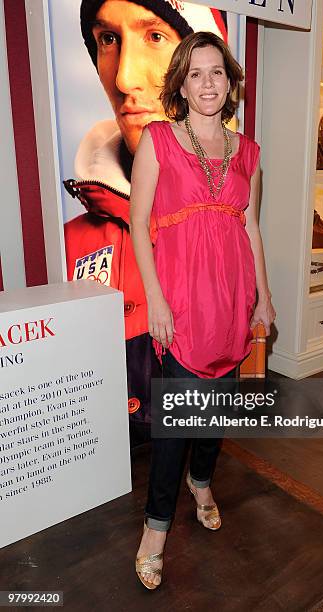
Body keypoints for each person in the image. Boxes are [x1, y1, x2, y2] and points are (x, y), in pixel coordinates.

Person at [130, 31, 275, 589]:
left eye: (217, 72)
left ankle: (203, 481)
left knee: (218, 409)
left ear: (230, 81)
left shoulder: (249, 152)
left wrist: (263, 294)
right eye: (196, 73)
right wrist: (157, 300)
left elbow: (252, 227)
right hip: (182, 301)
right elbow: (140, 224)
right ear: (181, 84)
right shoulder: (159, 140)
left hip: (233, 298)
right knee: (175, 426)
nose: (208, 83)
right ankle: (156, 531)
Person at [63, 0, 228, 446]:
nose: (122, 78)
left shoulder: (227, 187)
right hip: (94, 460)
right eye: (108, 40)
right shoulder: (68, 239)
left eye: (154, 37)